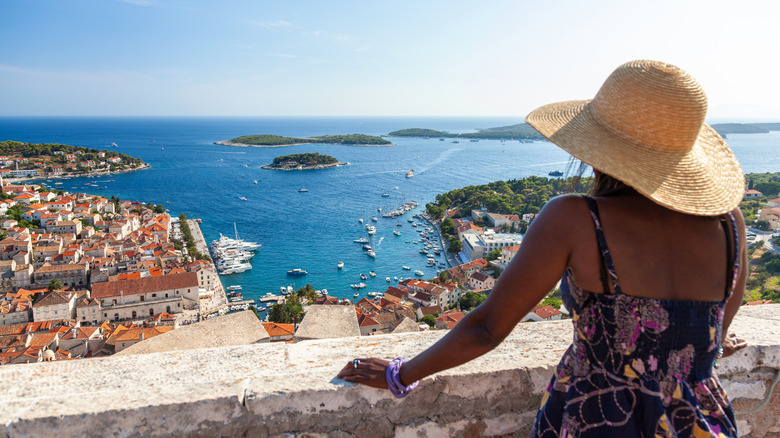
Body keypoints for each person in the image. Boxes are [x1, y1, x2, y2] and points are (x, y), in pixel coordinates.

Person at [336, 60, 748, 437]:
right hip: (698, 418)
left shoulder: (575, 218)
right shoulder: (729, 223)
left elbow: (488, 328)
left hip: (600, 417)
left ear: (600, 146)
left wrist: (400, 373)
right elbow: (715, 329)